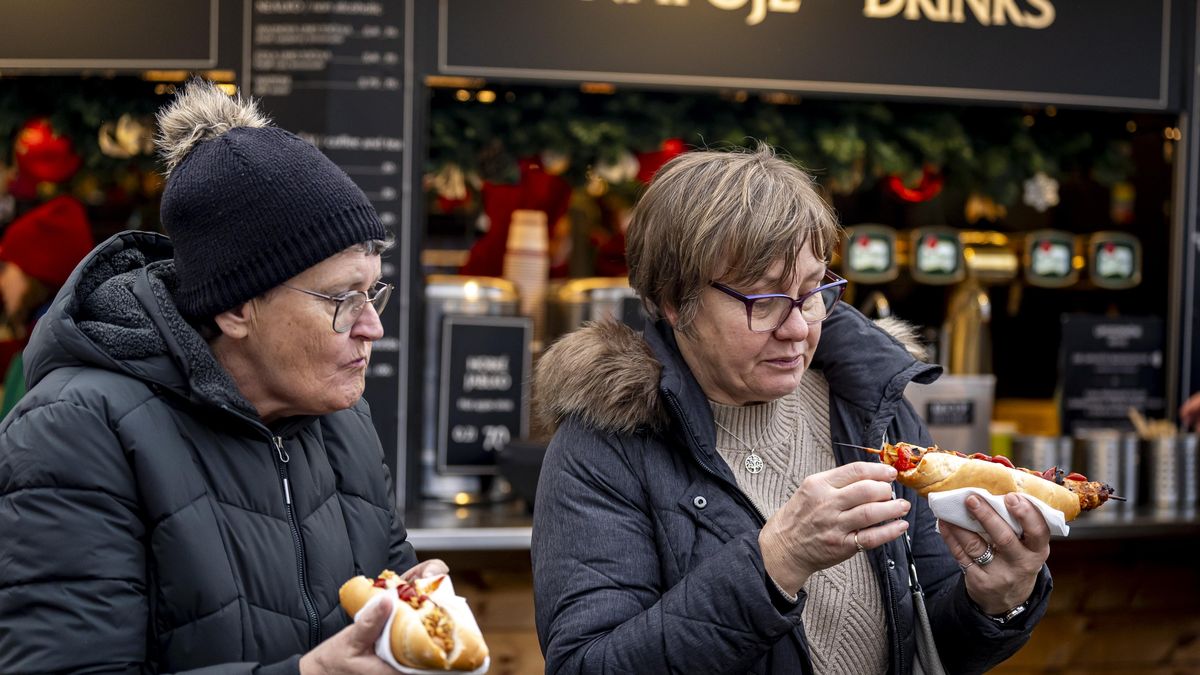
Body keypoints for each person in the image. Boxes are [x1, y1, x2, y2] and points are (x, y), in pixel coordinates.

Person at [532, 145, 1053, 674]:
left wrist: (995, 600)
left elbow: (931, 638)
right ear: (674, 300)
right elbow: (585, 666)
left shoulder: (869, 402)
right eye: (764, 301)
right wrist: (777, 561)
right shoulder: (603, 447)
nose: (799, 327)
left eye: (812, 292)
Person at [0, 80, 434, 674]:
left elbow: (377, 617)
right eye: (340, 299)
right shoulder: (74, 433)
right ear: (235, 308)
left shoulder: (343, 423)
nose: (371, 328)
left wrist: (412, 620)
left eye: (371, 293)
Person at [0, 192, 95, 417]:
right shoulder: (49, 345)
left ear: (34, 272)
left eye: (5, 268)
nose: (1, 281)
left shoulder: (43, 365)